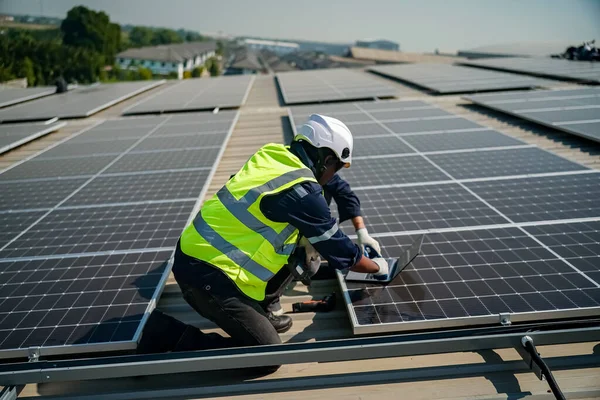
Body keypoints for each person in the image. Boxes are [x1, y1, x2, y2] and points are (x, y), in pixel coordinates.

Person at [137, 114, 387, 358]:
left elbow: (340, 191)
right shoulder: (302, 191)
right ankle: (166, 333)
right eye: (336, 167)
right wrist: (377, 267)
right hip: (205, 276)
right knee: (266, 356)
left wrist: (360, 230)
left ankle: (260, 310)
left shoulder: (274, 156)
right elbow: (341, 252)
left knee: (302, 251)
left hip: (199, 254)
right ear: (325, 158)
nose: (334, 174)